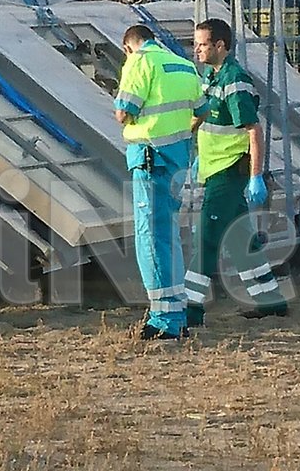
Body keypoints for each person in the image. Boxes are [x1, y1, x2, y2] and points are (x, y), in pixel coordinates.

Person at [185, 18, 288, 325]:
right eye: (196, 43)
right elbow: (205, 120)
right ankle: (270, 300)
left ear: (221, 46)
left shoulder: (234, 81)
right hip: (215, 167)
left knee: (205, 239)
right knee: (241, 241)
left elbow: (254, 132)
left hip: (229, 172)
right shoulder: (211, 77)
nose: (197, 50)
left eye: (203, 44)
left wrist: (255, 176)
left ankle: (189, 308)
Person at [114, 23, 203, 340]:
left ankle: (164, 319)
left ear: (128, 47)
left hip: (150, 159)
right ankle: (176, 312)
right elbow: (202, 109)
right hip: (179, 158)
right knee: (170, 238)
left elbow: (124, 112)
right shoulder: (182, 63)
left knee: (150, 238)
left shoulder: (140, 62)